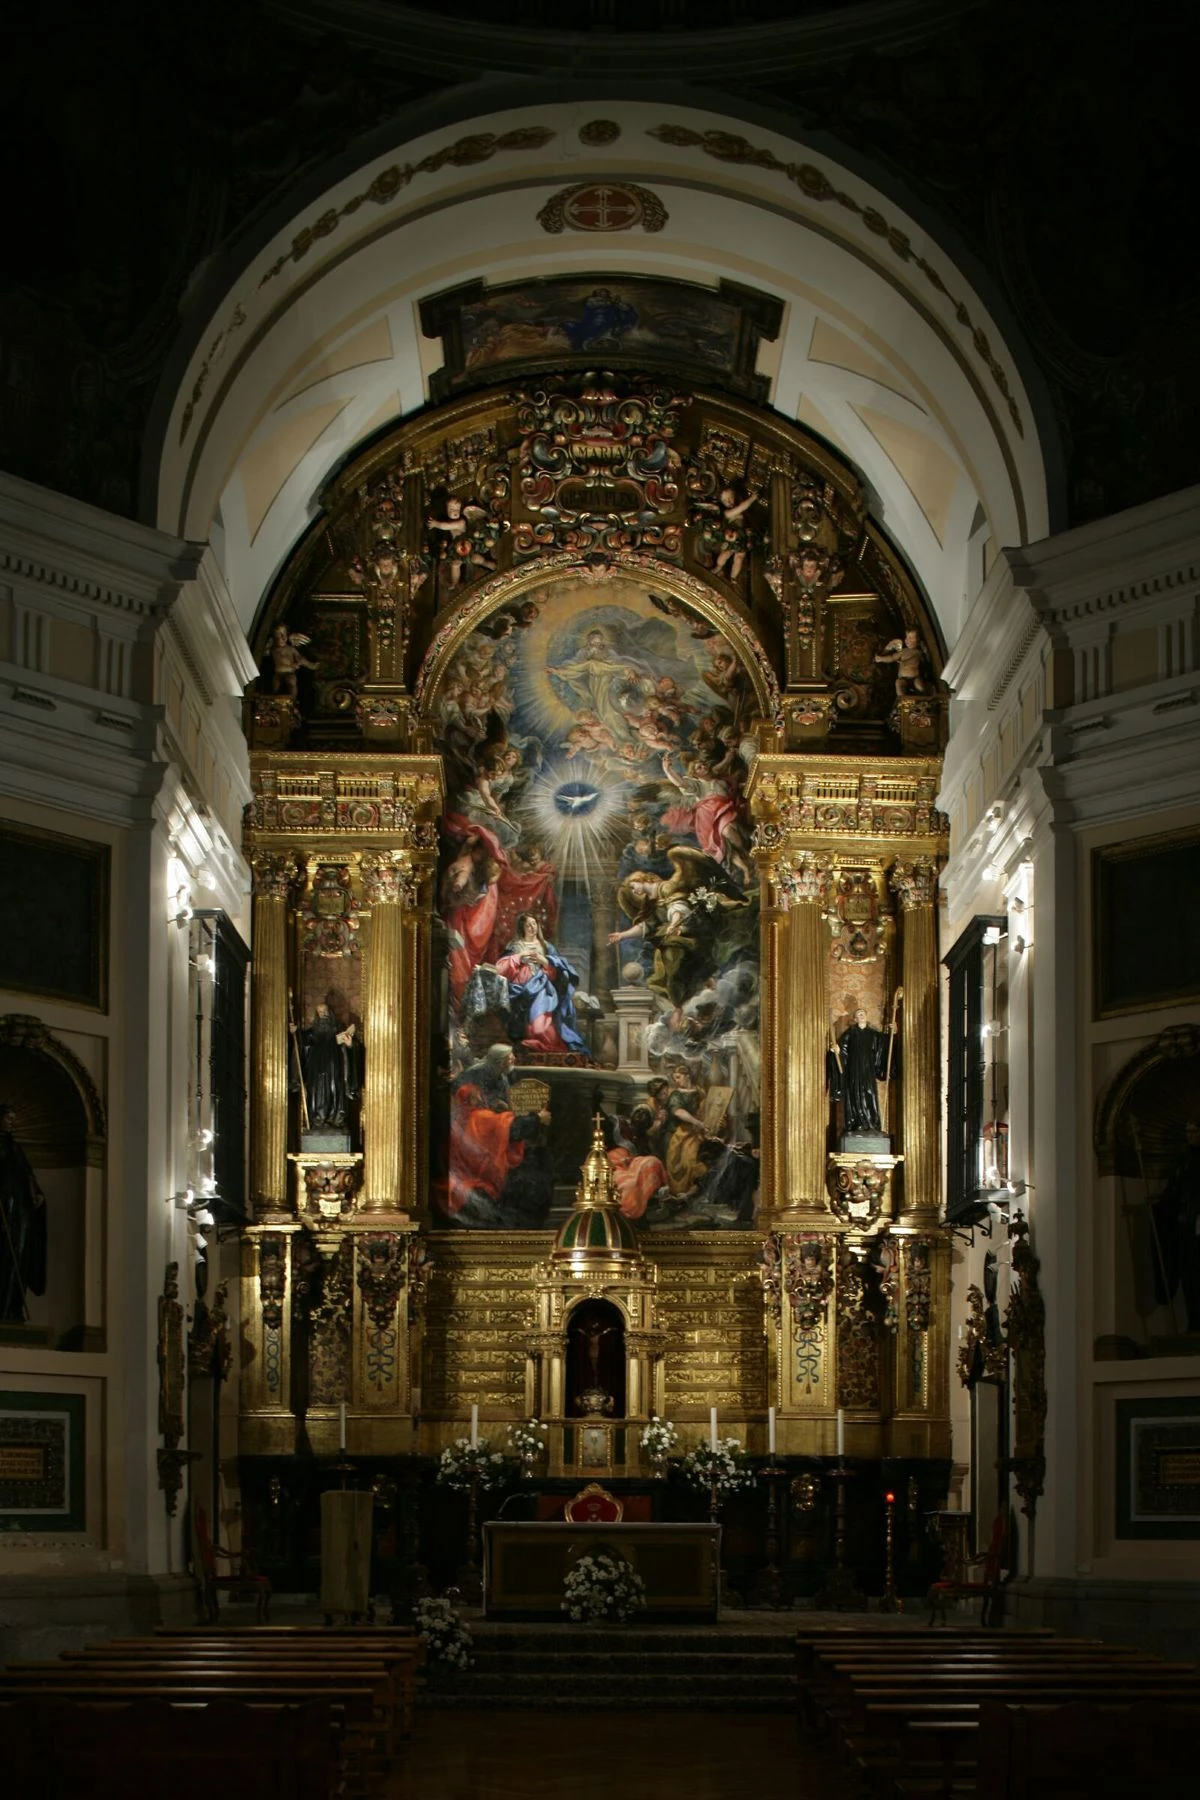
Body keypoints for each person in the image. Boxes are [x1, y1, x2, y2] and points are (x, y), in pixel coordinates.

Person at [493, 913, 588, 1054]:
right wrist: (519, 957)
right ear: (522, 928)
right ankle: (534, 1044)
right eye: (528, 925)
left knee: (540, 1028)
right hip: (519, 991)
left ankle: (547, 1045)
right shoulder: (514, 946)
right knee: (526, 1029)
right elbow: (499, 968)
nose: (532, 927)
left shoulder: (546, 947)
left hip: (542, 989)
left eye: (534, 924)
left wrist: (544, 961)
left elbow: (559, 973)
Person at [0, 1104, 46, 1323]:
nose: (12, 1123)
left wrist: (36, 1194)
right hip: (3, 1211)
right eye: (8, 1118)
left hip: (19, 1213)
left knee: (18, 1258)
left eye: (13, 1119)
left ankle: (13, 1308)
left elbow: (27, 1173)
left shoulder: (15, 1148)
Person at [1153, 1119, 1200, 1331]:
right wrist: (1159, 1206)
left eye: (1194, 1132)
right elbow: (1174, 1193)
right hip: (1187, 1227)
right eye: (1188, 1132)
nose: (1190, 1136)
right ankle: (1194, 1320)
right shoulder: (1183, 1162)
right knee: (1190, 1275)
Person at [291, 1002, 361, 1131]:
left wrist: (350, 1045)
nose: (323, 1014)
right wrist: (296, 1033)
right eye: (320, 1012)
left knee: (335, 1091)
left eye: (325, 1011)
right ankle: (318, 1118)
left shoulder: (339, 1029)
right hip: (316, 1071)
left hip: (335, 1070)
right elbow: (301, 1045)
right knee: (317, 1094)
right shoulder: (311, 1033)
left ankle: (335, 1117)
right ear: (317, 1015)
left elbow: (352, 1050)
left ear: (330, 1013)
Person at [831, 1007, 896, 1135]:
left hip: (868, 1071)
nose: (861, 1016)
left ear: (866, 1016)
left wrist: (894, 1032)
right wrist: (836, 1050)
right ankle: (856, 1123)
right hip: (854, 1070)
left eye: (862, 1014)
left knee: (869, 1093)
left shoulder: (873, 1034)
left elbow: (885, 1044)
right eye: (858, 1014)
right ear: (855, 1019)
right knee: (855, 1093)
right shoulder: (850, 1032)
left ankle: (872, 1123)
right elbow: (842, 1047)